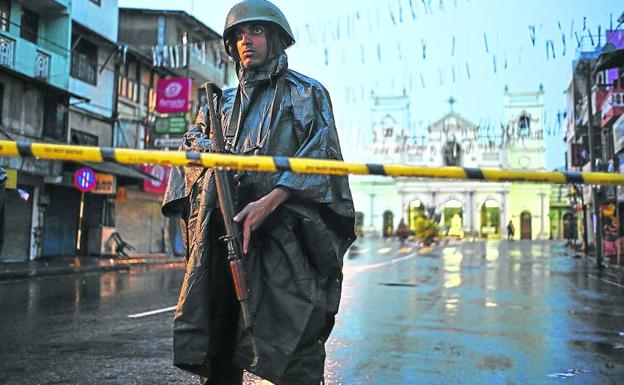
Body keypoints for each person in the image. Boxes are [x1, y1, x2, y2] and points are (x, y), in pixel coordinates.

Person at [162, 1, 356, 384]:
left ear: (277, 38)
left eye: (256, 32)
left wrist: (272, 199)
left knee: (295, 342)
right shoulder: (220, 105)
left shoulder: (307, 94)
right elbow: (191, 151)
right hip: (226, 239)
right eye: (238, 35)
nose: (245, 41)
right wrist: (201, 151)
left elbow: (322, 158)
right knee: (219, 342)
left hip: (287, 242)